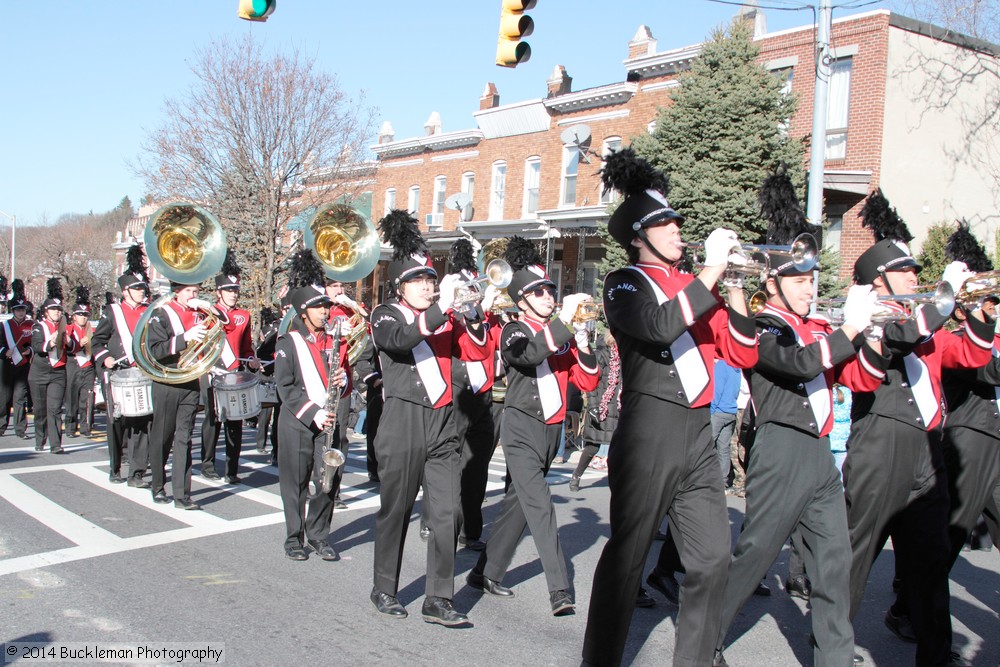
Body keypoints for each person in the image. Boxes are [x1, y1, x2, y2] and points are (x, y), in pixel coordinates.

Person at [582, 148, 758, 667]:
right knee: (627, 558)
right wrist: (712, 273)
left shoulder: (696, 287)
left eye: (678, 222)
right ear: (639, 235)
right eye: (666, 223)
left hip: (698, 435)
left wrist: (739, 285)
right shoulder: (625, 281)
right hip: (649, 431)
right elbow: (659, 327)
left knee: (711, 558)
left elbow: (744, 351)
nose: (679, 230)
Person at [713, 243, 888, 667]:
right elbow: (802, 365)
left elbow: (864, 380)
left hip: (819, 454)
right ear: (772, 283)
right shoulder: (763, 326)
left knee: (834, 565)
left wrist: (875, 332)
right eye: (799, 281)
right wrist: (850, 329)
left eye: (812, 280)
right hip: (781, 448)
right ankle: (704, 636)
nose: (810, 289)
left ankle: (834, 659)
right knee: (755, 555)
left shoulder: (819, 327)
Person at [842, 210, 992, 667]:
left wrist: (982, 311)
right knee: (855, 556)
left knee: (930, 560)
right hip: (879, 451)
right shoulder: (871, 318)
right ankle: (831, 643)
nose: (915, 276)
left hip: (929, 454)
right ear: (880, 280)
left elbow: (970, 353)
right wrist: (942, 303)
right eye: (905, 270)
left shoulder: (929, 326)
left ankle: (936, 653)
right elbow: (895, 340)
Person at [368, 209, 489, 626]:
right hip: (402, 420)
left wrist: (474, 314)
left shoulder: (445, 316)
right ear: (401, 285)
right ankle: (384, 586)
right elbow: (399, 340)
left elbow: (477, 354)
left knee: (447, 513)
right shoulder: (385, 314)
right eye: (418, 280)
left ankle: (438, 598)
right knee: (396, 510)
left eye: (430, 280)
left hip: (443, 422)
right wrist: (442, 311)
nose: (427, 286)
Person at [467, 236, 600, 615]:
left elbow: (588, 382)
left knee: (518, 506)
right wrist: (563, 325)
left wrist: (585, 342)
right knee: (540, 506)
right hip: (522, 428)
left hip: (552, 434)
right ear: (523, 300)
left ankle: (485, 572)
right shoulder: (516, 330)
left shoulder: (563, 332)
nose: (548, 296)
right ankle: (559, 589)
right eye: (539, 292)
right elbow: (527, 355)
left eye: (551, 290)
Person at [274, 249, 349, 562]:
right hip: (298, 421)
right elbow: (286, 387)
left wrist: (343, 379)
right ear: (304, 312)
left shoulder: (333, 340)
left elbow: (335, 377)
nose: (325, 311)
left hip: (328, 421)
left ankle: (320, 535)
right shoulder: (288, 342)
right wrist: (313, 412)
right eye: (319, 307)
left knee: (327, 479)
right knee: (296, 482)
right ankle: (294, 537)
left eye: (327, 306)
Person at [147, 278, 230, 510]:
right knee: (163, 436)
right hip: (167, 381)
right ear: (177, 292)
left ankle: (182, 495)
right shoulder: (162, 313)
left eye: (196, 291)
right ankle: (157, 485)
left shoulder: (199, 314)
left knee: (184, 438)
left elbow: (225, 326)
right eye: (189, 291)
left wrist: (211, 308)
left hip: (191, 381)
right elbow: (155, 350)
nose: (194, 295)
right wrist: (185, 339)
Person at [446, 237, 502, 551]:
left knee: (477, 464)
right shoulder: (453, 313)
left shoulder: (489, 317)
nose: (472, 289)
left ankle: (471, 529)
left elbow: (494, 349)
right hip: (458, 390)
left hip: (484, 394)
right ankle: (437, 520)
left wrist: (490, 312)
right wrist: (476, 309)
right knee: (450, 461)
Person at [91, 246, 152, 488]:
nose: (141, 292)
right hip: (118, 373)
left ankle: (136, 472)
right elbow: (97, 341)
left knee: (141, 421)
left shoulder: (150, 312)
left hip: (142, 373)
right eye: (136, 289)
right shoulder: (112, 312)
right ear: (125, 291)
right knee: (117, 423)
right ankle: (115, 466)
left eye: (142, 288)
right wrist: (104, 357)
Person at [200, 252, 259, 484]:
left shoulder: (244, 316)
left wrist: (252, 358)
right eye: (228, 290)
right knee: (212, 420)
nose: (233, 294)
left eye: (235, 290)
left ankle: (231, 469)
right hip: (212, 371)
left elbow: (245, 348)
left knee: (235, 421)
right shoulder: (207, 312)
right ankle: (207, 464)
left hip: (233, 374)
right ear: (219, 292)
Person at [324, 277, 366, 509]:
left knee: (339, 435)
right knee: (319, 434)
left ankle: (334, 490)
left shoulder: (347, 309)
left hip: (342, 379)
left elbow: (368, 327)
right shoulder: (316, 308)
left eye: (341, 285)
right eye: (334, 286)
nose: (339, 290)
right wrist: (334, 332)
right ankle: (317, 480)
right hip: (318, 378)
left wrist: (354, 306)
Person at [570, 330, 620, 492]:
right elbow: (591, 382)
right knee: (592, 446)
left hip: (618, 406)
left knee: (618, 446)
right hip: (601, 406)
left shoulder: (624, 355)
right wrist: (592, 405)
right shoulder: (601, 354)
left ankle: (618, 481)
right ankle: (576, 476)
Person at [29, 279, 71, 454]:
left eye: (59, 309)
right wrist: (51, 341)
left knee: (54, 409)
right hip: (39, 372)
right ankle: (40, 439)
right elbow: (38, 347)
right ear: (46, 312)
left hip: (58, 372)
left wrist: (69, 343)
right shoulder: (38, 327)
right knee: (40, 410)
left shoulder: (65, 327)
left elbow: (74, 349)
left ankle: (56, 444)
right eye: (53, 309)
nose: (56, 312)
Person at [1, 279, 34, 439]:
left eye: (22, 309)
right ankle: (1, 426)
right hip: (6, 367)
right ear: (13, 311)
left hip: (23, 367)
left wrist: (29, 350)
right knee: (4, 399)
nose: (21, 312)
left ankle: (21, 430)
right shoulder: (4, 326)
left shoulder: (31, 325)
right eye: (18, 310)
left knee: (20, 399)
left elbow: (36, 344)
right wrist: (4, 351)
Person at [64, 287, 95, 438]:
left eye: (85, 315)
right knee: (71, 397)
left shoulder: (91, 329)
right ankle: (70, 427)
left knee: (87, 398)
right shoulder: (68, 329)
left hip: (88, 367)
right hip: (73, 364)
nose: (83, 317)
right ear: (74, 316)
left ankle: (85, 426)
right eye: (80, 314)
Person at [254, 306, 281, 455]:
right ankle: (261, 443)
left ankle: (276, 449)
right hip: (269, 374)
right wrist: (265, 365)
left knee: (278, 415)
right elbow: (263, 349)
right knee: (266, 412)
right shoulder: (274, 328)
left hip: (280, 374)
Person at [710, 359, 740, 486]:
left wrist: (711, 411)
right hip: (731, 412)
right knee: (724, 448)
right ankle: (723, 482)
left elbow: (717, 390)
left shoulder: (722, 365)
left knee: (707, 445)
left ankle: (704, 478)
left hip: (718, 411)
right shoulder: (737, 368)